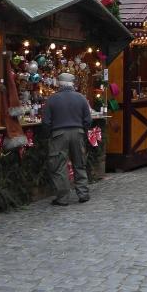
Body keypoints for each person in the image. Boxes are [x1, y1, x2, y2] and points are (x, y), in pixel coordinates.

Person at [42, 73, 92, 206]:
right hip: (78, 132)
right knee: (79, 163)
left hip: (58, 134)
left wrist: (49, 135)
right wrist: (82, 131)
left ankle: (63, 198)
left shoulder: (52, 99)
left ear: (59, 84)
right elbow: (88, 120)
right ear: (72, 84)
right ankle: (83, 193)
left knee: (59, 166)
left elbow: (46, 122)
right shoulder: (81, 98)